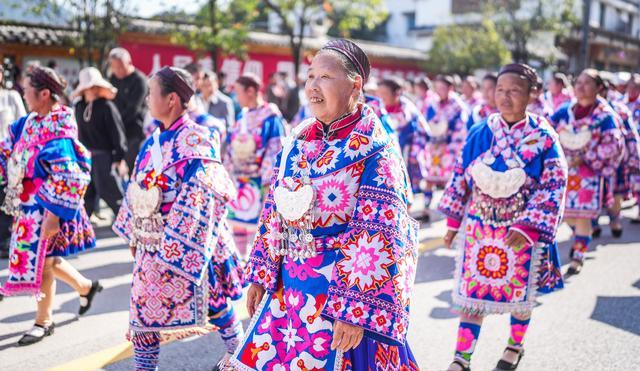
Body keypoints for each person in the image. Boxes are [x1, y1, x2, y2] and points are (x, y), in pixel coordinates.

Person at [232, 38, 419, 370]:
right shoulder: (297, 140)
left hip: (340, 301)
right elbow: (275, 211)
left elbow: (379, 233)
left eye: (325, 77)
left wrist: (355, 310)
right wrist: (261, 274)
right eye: (310, 77)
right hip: (289, 294)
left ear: (355, 84)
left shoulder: (376, 149)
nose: (312, 87)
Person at [113, 66, 246, 370]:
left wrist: (178, 242)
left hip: (192, 242)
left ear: (171, 99)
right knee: (143, 317)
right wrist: (136, 233)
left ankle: (240, 353)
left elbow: (205, 192)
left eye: (151, 92)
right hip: (152, 242)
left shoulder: (198, 139)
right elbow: (136, 186)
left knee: (215, 303)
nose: (147, 99)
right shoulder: (151, 142)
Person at [439, 63, 568, 371]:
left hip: (523, 230)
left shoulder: (543, 136)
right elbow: (460, 176)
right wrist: (454, 222)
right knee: (471, 296)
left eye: (514, 91)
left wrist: (529, 226)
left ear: (532, 94)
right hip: (480, 228)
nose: (505, 97)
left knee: (521, 295)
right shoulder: (480, 132)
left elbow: (554, 183)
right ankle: (462, 358)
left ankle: (514, 346)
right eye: (500, 90)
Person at [0, 66, 100, 345]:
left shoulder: (60, 124)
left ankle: (44, 321)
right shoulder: (29, 120)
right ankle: (86, 287)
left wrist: (54, 215)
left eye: (27, 89)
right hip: (27, 204)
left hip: (50, 205)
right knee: (49, 260)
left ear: (44, 94)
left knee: (43, 262)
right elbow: (6, 149)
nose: (24, 94)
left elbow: (69, 173)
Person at [549, 69, 624, 275]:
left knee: (582, 216)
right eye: (578, 82)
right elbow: (546, 133)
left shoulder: (605, 116)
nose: (580, 87)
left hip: (589, 174)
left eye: (586, 83)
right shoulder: (564, 111)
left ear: (599, 88)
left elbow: (614, 145)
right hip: (565, 173)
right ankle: (580, 239)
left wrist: (586, 157)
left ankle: (578, 256)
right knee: (566, 216)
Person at [224, 73, 286, 259]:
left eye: (238, 92)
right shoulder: (242, 115)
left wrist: (268, 182)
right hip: (238, 179)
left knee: (258, 227)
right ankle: (239, 265)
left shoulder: (271, 117)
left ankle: (253, 268)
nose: (236, 97)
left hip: (259, 181)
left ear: (251, 91)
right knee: (237, 225)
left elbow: (275, 149)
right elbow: (230, 146)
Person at [72, 67, 128, 219]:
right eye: (90, 87)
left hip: (104, 158)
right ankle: (81, 231)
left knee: (112, 195)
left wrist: (118, 158)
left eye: (95, 86)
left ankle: (129, 227)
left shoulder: (106, 106)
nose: (93, 89)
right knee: (85, 198)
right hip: (84, 158)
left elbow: (118, 133)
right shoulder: (78, 107)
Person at [592, 78, 640, 238]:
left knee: (616, 193)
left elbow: (631, 136)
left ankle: (615, 221)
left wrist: (633, 159)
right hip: (590, 162)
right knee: (592, 192)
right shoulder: (579, 110)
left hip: (617, 161)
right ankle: (593, 224)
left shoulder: (620, 109)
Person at [377, 77, 431, 218]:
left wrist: (414, 154)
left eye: (385, 93)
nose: (381, 97)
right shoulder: (377, 109)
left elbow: (424, 131)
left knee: (405, 188)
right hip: (384, 156)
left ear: (396, 93)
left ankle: (405, 217)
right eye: (379, 93)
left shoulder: (409, 110)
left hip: (406, 155)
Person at [424, 74, 469, 213]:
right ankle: (426, 208)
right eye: (436, 88)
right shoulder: (433, 103)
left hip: (451, 147)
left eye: (442, 88)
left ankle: (449, 207)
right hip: (434, 146)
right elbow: (428, 122)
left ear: (450, 88)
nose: (439, 91)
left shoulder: (458, 106)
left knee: (449, 179)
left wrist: (451, 146)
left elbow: (461, 129)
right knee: (430, 178)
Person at [0, 64, 26, 259]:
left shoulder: (11, 97)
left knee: (6, 198)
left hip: (7, 157)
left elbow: (22, 125)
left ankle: (4, 239)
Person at [108, 47, 149, 174]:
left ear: (129, 62)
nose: (117, 71)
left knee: (131, 168)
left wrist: (116, 123)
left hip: (134, 131)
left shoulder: (140, 81)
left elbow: (133, 110)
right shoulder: (113, 78)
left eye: (120, 67)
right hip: (117, 131)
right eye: (114, 67)